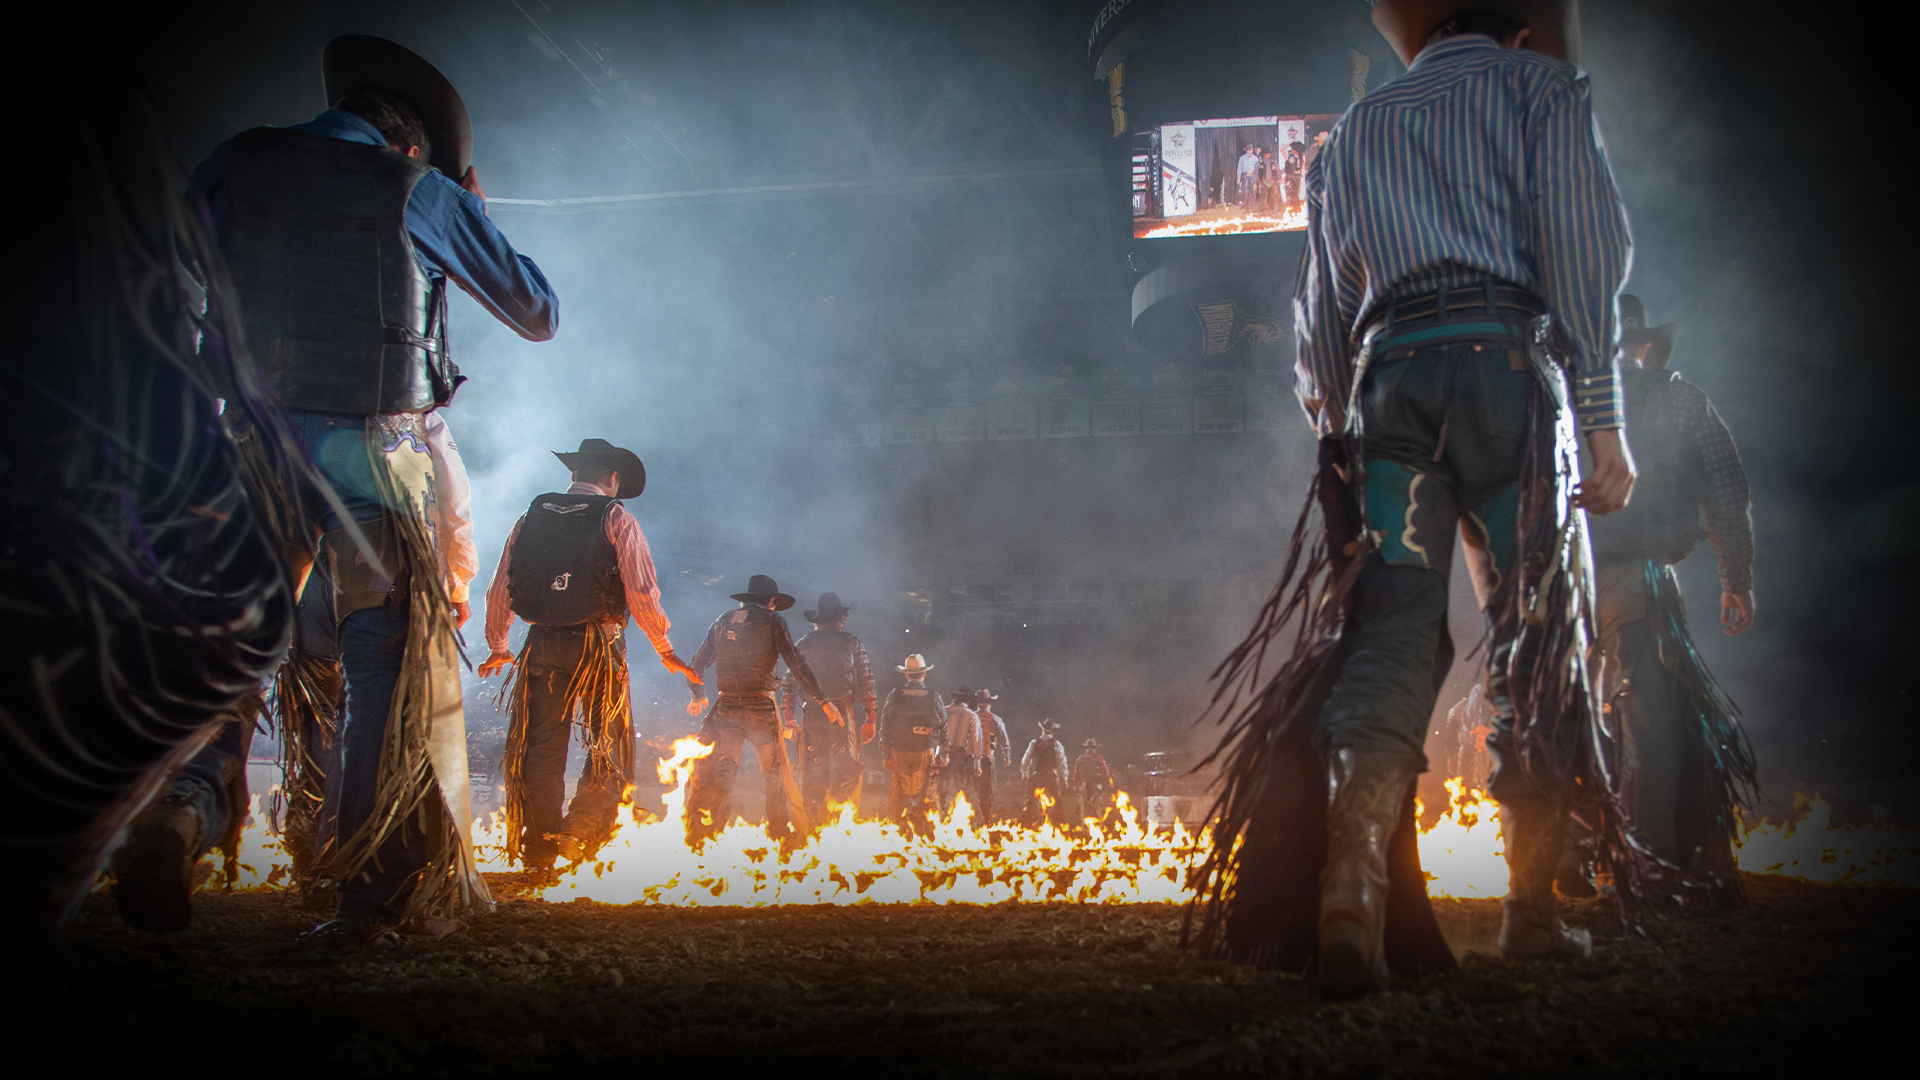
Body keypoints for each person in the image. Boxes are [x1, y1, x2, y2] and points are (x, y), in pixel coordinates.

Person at [1194, 1, 1634, 998]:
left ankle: (1351, 896)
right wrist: (1604, 417)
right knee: (1535, 641)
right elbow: (1582, 246)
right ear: (1520, 29)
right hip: (1512, 376)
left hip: (1389, 385)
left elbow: (1319, 320)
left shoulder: (1354, 132)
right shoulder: (1545, 88)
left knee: (1391, 635)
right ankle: (1531, 918)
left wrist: (1338, 437)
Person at [187, 35, 559, 942]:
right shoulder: (416, 188)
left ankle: (188, 806)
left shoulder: (235, 160)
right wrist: (470, 211)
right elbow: (536, 310)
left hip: (251, 438)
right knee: (380, 673)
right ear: (411, 142)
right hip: (369, 452)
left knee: (232, 644)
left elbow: (183, 267)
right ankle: (367, 897)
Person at [1587, 294, 1758, 904]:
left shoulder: (1559, 397)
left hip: (1574, 576)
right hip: (1629, 577)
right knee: (1651, 716)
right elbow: (1726, 487)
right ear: (1641, 345)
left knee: (1583, 712)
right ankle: (1646, 860)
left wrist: (1736, 573)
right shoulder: (1677, 399)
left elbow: (1724, 486)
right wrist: (1736, 577)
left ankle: (1584, 857)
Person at [478, 439, 699, 872]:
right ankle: (581, 835)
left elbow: (501, 584)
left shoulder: (530, 515)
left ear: (575, 474)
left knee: (539, 747)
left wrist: (498, 646)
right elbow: (641, 590)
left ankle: (539, 848)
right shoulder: (615, 517)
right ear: (612, 478)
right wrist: (665, 649)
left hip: (541, 643)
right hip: (597, 643)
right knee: (608, 740)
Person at [683, 576, 840, 843]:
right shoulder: (772, 621)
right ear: (771, 601)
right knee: (774, 773)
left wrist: (697, 695)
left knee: (720, 771)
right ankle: (779, 836)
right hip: (760, 705)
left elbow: (696, 664)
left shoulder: (723, 620)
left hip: (727, 705)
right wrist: (822, 698)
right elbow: (795, 662)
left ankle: (707, 838)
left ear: (746, 599)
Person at [780, 593, 879, 824]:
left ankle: (816, 820)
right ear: (840, 619)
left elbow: (788, 683)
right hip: (840, 710)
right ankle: (838, 816)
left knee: (812, 767)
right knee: (848, 765)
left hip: (813, 711)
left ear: (818, 620)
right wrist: (871, 718)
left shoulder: (804, 643)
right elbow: (867, 682)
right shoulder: (852, 642)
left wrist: (789, 719)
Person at [879, 655, 946, 830]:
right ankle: (923, 831)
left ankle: (902, 829)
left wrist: (886, 754)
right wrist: (944, 753)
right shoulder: (933, 695)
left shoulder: (895, 694)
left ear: (906, 674)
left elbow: (885, 725)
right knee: (926, 794)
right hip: (924, 751)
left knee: (901, 795)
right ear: (924, 673)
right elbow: (942, 725)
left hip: (899, 751)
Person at [941, 686, 985, 818]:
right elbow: (976, 740)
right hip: (959, 754)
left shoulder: (943, 711)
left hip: (942, 752)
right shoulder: (971, 715)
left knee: (939, 787)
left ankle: (938, 815)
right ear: (968, 701)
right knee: (961, 787)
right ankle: (961, 818)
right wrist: (977, 763)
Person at [974, 689, 1014, 823]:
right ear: (989, 703)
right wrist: (1007, 757)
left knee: (972, 789)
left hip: (970, 759)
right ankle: (985, 820)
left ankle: (972, 820)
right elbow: (1004, 740)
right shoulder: (995, 719)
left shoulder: (971, 717)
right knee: (988, 790)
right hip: (986, 759)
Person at [1021, 720, 1071, 827]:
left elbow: (1026, 759)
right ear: (1052, 731)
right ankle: (1058, 823)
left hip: (1037, 775)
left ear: (1042, 729)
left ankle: (1026, 820)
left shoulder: (1034, 743)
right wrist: (1064, 778)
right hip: (1050, 776)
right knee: (1056, 799)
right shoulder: (1056, 744)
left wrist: (1024, 773)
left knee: (1030, 797)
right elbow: (1062, 762)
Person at [1074, 739, 1116, 823]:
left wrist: (1076, 785)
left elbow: (1076, 774)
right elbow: (1105, 771)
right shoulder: (1099, 758)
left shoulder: (1080, 759)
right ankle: (1098, 823)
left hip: (1084, 786)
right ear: (1095, 748)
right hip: (1095, 786)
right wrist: (1107, 782)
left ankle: (1085, 824)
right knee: (1097, 805)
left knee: (1084, 805)